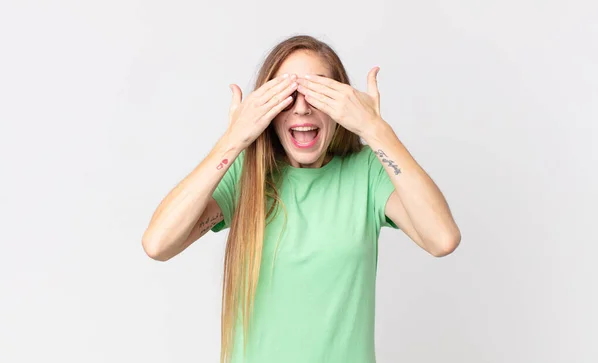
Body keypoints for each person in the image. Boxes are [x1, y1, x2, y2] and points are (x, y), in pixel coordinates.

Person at [142, 34, 461, 363]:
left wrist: (374, 128)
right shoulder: (246, 175)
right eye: (286, 94)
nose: (302, 107)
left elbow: (442, 238)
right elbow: (158, 244)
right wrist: (234, 140)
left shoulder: (367, 172)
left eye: (318, 93)